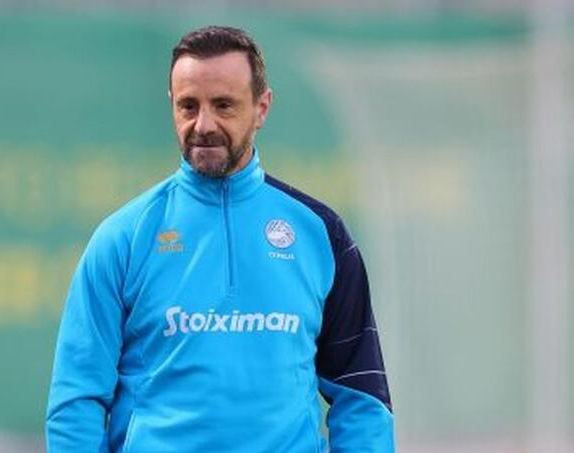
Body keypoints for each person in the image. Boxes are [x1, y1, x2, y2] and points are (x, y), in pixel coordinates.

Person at [46, 25, 394, 452]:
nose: (203, 124)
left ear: (261, 108)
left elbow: (361, 393)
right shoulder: (123, 237)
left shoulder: (320, 233)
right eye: (188, 106)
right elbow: (76, 400)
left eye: (224, 105)